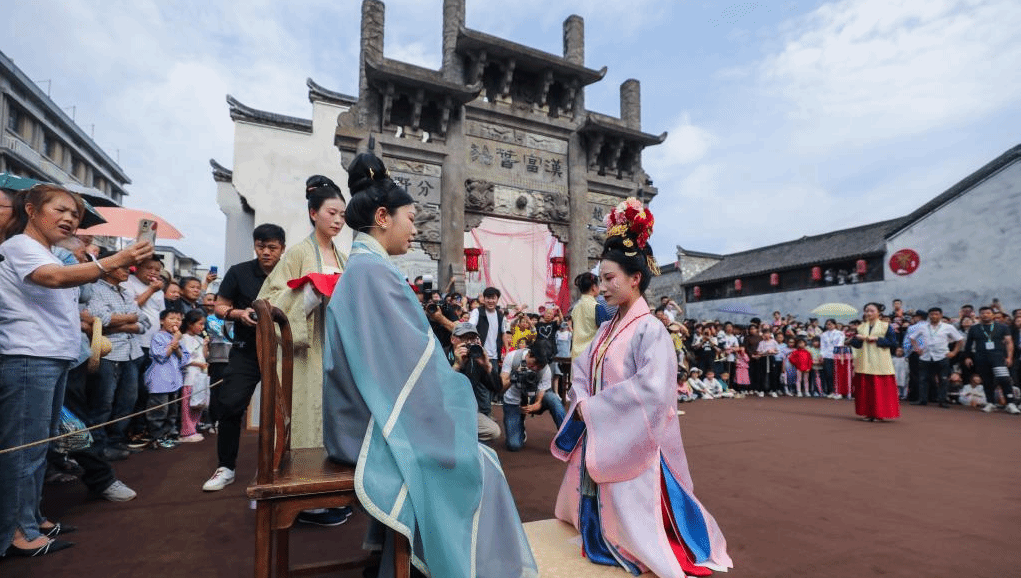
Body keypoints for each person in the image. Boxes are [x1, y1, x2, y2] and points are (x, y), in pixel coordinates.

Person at [320, 151, 536, 578]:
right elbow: (404, 371)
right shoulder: (372, 273)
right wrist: (453, 381)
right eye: (411, 217)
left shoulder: (366, 269)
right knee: (480, 466)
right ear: (383, 217)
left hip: (359, 416)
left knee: (471, 451)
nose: (415, 227)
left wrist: (444, 376)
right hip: (368, 428)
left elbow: (398, 364)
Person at [550, 198, 731, 577]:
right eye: (600, 278)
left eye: (610, 278)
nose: (602, 287)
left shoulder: (651, 330)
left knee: (637, 528)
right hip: (602, 430)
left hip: (635, 441)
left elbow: (652, 392)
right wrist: (582, 400)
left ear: (636, 278)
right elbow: (582, 372)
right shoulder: (605, 327)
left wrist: (594, 410)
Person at [0, 184, 152, 557]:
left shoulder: (48, 252)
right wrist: (114, 261)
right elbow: (52, 279)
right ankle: (18, 532)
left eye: (75, 214)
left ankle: (32, 518)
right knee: (24, 450)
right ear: (32, 210)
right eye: (61, 210)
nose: (70, 219)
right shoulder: (20, 246)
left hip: (50, 357)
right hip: (27, 357)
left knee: (40, 447)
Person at [257, 175, 347, 450]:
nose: (338, 221)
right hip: (304, 351)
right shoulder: (297, 254)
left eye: (342, 215)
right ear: (313, 213)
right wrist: (309, 293)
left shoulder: (345, 258)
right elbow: (267, 303)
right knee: (304, 414)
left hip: (335, 347)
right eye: (332, 213)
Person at [202, 224, 286, 492]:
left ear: (282, 249)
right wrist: (239, 314)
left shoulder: (290, 271)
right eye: (261, 246)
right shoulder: (239, 272)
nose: (266, 252)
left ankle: (284, 464)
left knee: (286, 410)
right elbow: (220, 306)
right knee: (230, 404)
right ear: (255, 246)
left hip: (282, 351)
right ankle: (225, 466)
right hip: (245, 350)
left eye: (272, 247)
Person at [84, 248, 150, 458]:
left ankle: (115, 442)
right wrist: (129, 319)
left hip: (131, 353)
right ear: (108, 267)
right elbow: (100, 320)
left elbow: (144, 322)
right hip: (107, 354)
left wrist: (120, 323)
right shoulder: (94, 289)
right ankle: (97, 449)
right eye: (123, 266)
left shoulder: (126, 292)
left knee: (127, 402)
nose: (128, 270)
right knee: (102, 404)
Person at [500, 340, 566, 451]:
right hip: (513, 402)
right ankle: (519, 426)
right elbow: (500, 388)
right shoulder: (513, 357)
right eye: (534, 363)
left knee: (552, 398)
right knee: (514, 446)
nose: (535, 368)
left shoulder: (545, 370)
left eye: (540, 366)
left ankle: (566, 438)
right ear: (530, 353)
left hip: (531, 399)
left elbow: (539, 399)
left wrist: (536, 405)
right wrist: (514, 377)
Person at [447, 322, 500, 443]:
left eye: (472, 338)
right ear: (453, 339)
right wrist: (456, 366)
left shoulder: (476, 359)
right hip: (442, 411)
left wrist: (487, 366)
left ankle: (468, 447)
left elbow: (497, 388)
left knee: (493, 431)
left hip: (465, 411)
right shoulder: (441, 354)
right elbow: (437, 389)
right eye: (464, 338)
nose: (469, 342)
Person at [144, 309, 189, 448]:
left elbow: (185, 358)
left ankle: (168, 434)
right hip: (159, 381)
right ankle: (156, 437)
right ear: (162, 321)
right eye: (172, 318)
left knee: (172, 410)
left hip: (174, 381)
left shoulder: (179, 339)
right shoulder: (158, 336)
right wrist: (175, 341)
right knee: (159, 410)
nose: (176, 322)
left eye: (179, 319)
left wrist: (177, 346)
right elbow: (161, 356)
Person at [849, 303, 900, 422]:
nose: (868, 313)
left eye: (871, 311)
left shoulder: (886, 326)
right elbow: (857, 345)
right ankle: (868, 413)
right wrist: (853, 339)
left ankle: (879, 414)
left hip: (880, 360)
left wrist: (877, 339)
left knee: (879, 390)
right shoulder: (861, 327)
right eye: (866, 311)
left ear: (878, 313)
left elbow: (893, 343)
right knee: (866, 389)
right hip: (865, 360)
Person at [963, 306, 1018, 414]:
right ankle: (990, 403)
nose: (985, 315)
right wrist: (967, 357)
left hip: (998, 357)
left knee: (1004, 379)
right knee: (987, 381)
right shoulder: (974, 328)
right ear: (979, 315)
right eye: (982, 313)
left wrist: (1009, 357)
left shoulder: (1002, 327)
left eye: (988, 313)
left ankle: (1010, 403)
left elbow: (1009, 342)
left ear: (992, 315)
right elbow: (968, 344)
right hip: (981, 357)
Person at [910, 307, 963, 408]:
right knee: (923, 379)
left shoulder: (948, 327)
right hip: (925, 356)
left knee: (943, 379)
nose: (934, 316)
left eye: (936, 314)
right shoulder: (923, 327)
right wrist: (917, 349)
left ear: (941, 315)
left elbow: (960, 340)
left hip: (942, 356)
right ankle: (922, 400)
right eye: (932, 314)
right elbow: (912, 338)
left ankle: (942, 400)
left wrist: (954, 352)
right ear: (929, 316)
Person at [468, 286, 509, 402]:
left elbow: (503, 333)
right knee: (481, 387)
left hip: (494, 357)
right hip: (480, 356)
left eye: (493, 298)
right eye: (488, 298)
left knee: (493, 385)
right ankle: (485, 412)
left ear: (497, 299)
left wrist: (506, 350)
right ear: (483, 299)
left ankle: (487, 411)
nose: (491, 301)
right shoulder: (477, 312)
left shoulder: (500, 316)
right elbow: (471, 324)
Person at [179, 308, 209, 443]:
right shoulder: (183, 338)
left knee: (198, 403)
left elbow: (205, 356)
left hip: (200, 375)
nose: (202, 327)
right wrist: (200, 364)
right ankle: (187, 431)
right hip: (190, 376)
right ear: (190, 324)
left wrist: (205, 345)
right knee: (188, 404)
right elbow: (186, 358)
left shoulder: (199, 338)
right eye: (200, 324)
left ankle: (194, 428)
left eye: (203, 324)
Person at [571, 272, 600, 359]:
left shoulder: (575, 308)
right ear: (594, 288)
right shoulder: (597, 307)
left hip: (576, 354)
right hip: (592, 354)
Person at [819, 319, 844, 397]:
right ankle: (832, 391)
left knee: (837, 374)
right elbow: (822, 346)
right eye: (827, 324)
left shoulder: (840, 333)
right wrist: (822, 355)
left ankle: (839, 391)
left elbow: (840, 344)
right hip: (827, 355)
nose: (829, 326)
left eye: (830, 324)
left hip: (837, 356)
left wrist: (837, 353)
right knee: (829, 374)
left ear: (835, 325)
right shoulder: (823, 334)